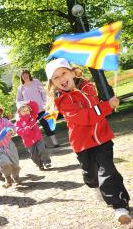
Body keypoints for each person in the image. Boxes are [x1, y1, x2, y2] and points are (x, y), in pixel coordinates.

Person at [45, 58, 131, 225]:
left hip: (102, 139)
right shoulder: (62, 101)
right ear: (52, 84)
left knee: (107, 171)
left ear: (72, 71)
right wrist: (106, 107)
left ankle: (120, 207)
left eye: (63, 73)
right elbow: (86, 117)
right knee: (92, 177)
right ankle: (96, 186)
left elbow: (98, 105)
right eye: (56, 78)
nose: (62, 79)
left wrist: (110, 102)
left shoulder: (88, 86)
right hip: (82, 145)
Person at [16, 69, 59, 147]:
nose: (25, 76)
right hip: (30, 112)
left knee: (47, 126)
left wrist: (46, 104)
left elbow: (43, 93)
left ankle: (54, 142)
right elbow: (18, 100)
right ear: (21, 77)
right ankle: (42, 145)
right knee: (35, 129)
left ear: (29, 74)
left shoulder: (36, 82)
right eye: (23, 75)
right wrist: (23, 107)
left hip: (41, 109)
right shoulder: (20, 88)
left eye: (26, 74)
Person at [15, 101, 52, 170]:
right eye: (23, 111)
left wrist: (28, 102)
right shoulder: (18, 122)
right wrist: (26, 129)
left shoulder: (33, 116)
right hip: (28, 142)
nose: (26, 112)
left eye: (27, 110)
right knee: (34, 155)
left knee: (42, 150)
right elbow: (18, 131)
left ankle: (46, 161)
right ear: (19, 112)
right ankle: (39, 164)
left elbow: (35, 106)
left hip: (38, 138)